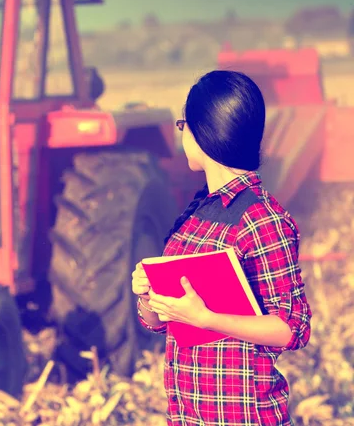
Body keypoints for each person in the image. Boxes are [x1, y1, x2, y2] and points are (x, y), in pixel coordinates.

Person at [131, 70, 312, 425]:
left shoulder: (264, 219)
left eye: (184, 125)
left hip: (244, 416)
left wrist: (208, 319)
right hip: (187, 415)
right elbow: (161, 322)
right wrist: (147, 296)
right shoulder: (193, 215)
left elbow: (294, 327)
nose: (182, 135)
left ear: (203, 133)